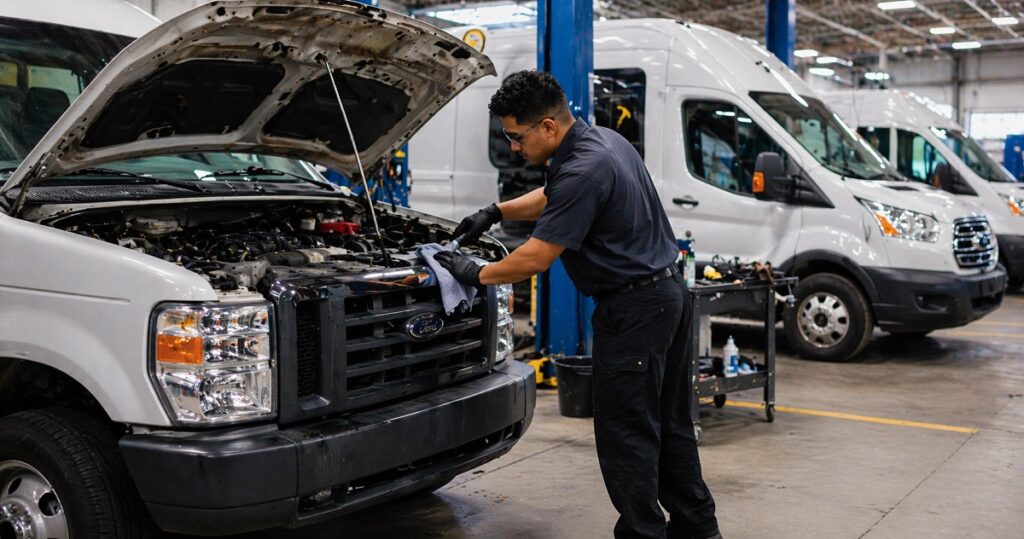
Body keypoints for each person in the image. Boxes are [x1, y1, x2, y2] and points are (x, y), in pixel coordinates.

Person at [434, 70, 720, 539]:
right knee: (670, 426)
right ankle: (698, 530)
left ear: (547, 127)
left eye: (516, 136)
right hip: (667, 297)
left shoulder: (584, 169)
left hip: (635, 312)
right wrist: (497, 211)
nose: (512, 147)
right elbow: (554, 195)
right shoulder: (604, 142)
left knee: (626, 436)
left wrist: (474, 273)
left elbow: (536, 258)